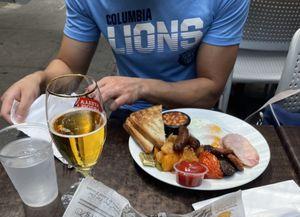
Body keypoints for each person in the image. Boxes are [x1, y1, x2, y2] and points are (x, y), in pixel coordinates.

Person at [0, 0, 249, 123]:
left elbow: (209, 90)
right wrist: (40, 79)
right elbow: (69, 66)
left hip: (191, 112)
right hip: (126, 113)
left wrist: (142, 87)